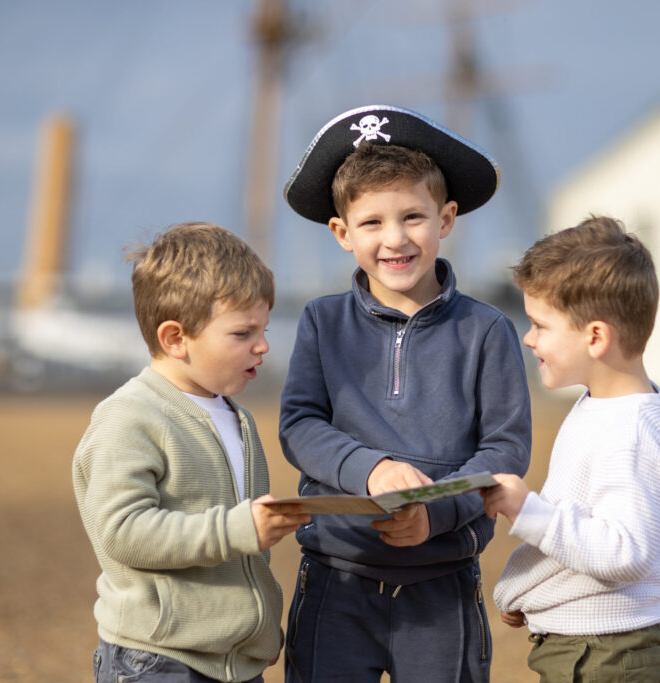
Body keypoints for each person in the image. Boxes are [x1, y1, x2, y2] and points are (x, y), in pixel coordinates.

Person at [278, 104, 532, 682]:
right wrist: (371, 470)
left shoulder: (489, 331)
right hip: (335, 577)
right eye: (371, 223)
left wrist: (435, 513)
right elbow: (300, 425)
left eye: (413, 216)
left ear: (446, 219)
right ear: (341, 233)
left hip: (443, 581)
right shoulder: (321, 322)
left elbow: (504, 450)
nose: (395, 239)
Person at [72, 223, 310, 683]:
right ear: (175, 338)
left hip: (234, 663)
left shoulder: (234, 416)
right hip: (158, 659)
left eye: (263, 328)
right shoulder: (129, 416)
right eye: (243, 333)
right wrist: (238, 528)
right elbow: (123, 532)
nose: (263, 345)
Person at [481, 215, 660, 683]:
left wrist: (525, 510)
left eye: (539, 325)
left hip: (605, 655)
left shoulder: (629, 430)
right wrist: (527, 591)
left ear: (595, 336)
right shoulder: (603, 406)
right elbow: (580, 519)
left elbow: (624, 552)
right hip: (588, 646)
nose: (528, 337)